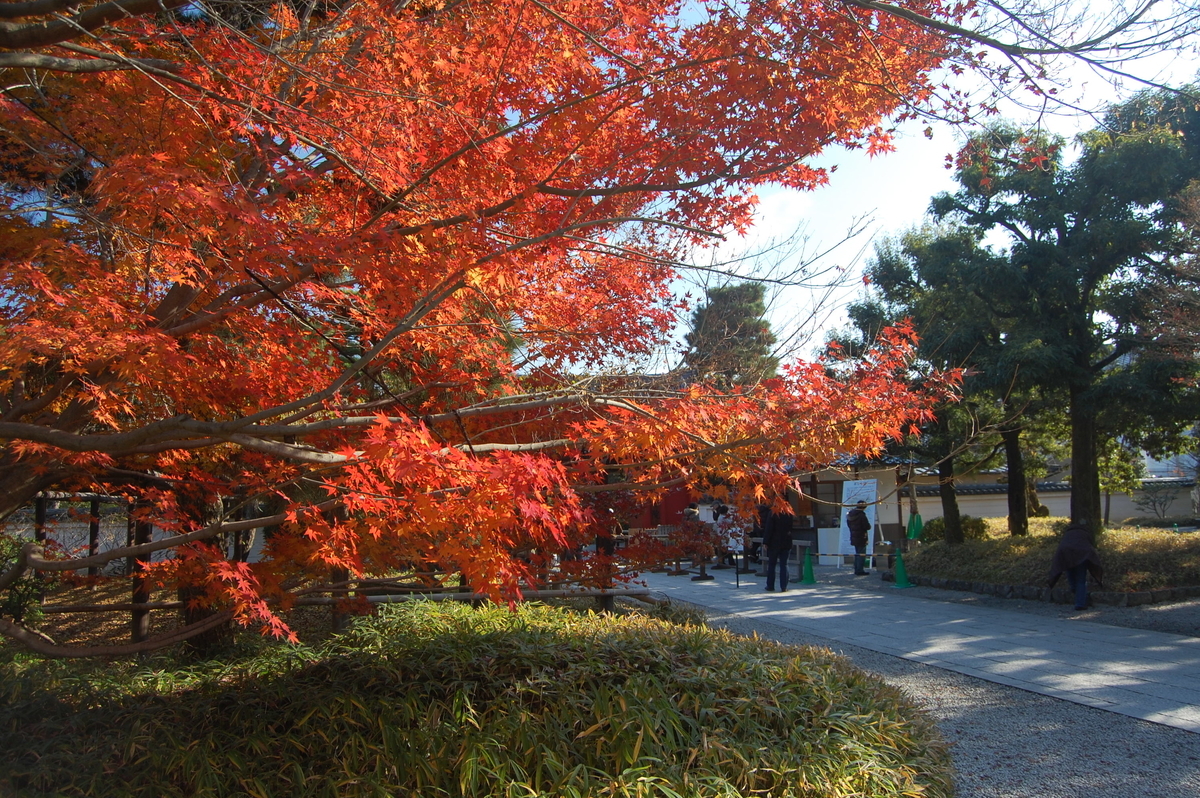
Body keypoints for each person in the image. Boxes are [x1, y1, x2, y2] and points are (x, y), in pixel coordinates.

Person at [1049, 522, 1104, 611]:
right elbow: (1090, 546)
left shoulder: (1068, 534)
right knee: (1081, 580)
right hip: (1082, 557)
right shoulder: (1085, 533)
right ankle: (1080, 604)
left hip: (1067, 555)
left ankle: (1074, 589)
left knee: (1070, 572)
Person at [761, 505, 794, 592]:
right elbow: (791, 527)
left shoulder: (772, 512)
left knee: (772, 564)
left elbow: (769, 528)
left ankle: (770, 585)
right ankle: (784, 586)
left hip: (774, 542)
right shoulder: (789, 512)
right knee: (784, 564)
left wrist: (765, 541)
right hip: (786, 540)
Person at [846, 500, 872, 575]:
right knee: (861, 554)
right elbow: (867, 526)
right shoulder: (861, 515)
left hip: (853, 535)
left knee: (857, 553)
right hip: (861, 536)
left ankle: (856, 569)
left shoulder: (850, 514)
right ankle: (860, 570)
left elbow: (849, 525)